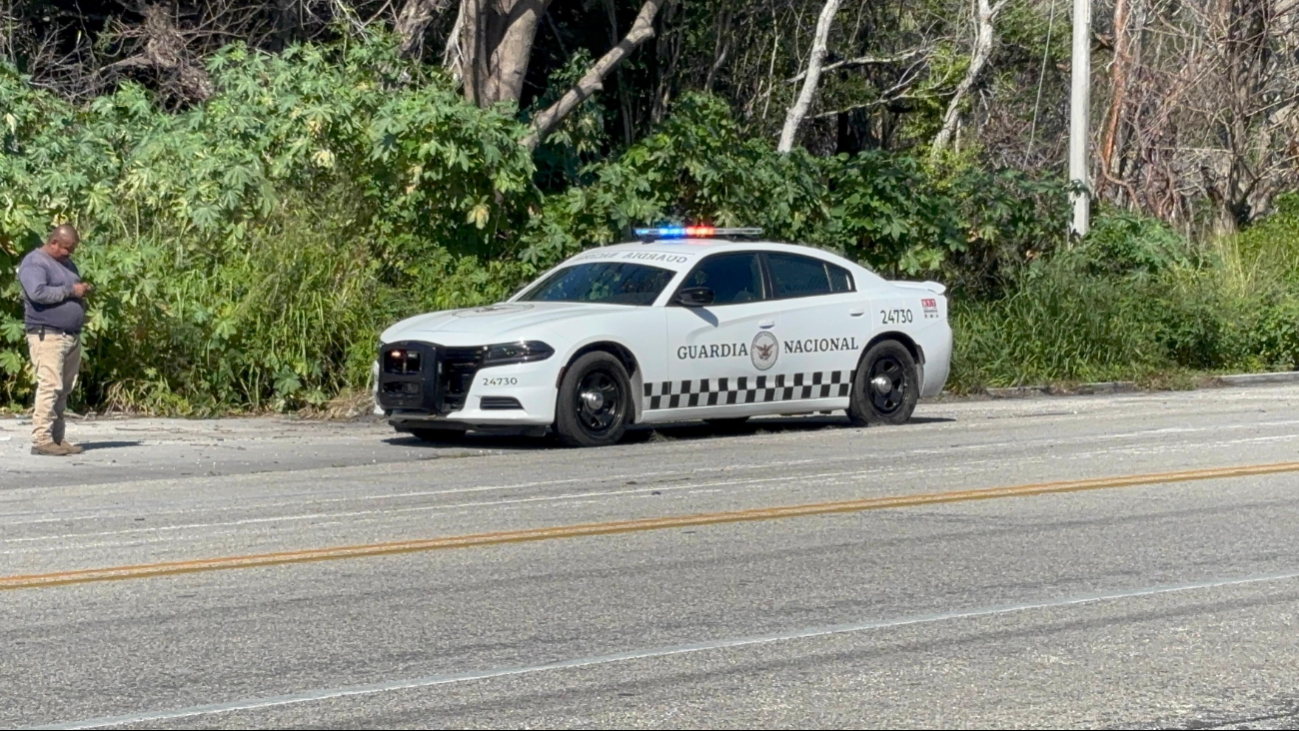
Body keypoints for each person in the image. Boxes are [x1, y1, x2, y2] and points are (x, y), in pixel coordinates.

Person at [18, 224, 92, 456]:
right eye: (67, 249)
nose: (70, 254)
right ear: (54, 243)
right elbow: (37, 292)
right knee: (50, 385)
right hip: (47, 334)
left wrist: (82, 292)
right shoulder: (35, 263)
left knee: (64, 389)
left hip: (70, 336)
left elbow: (68, 287)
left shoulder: (66, 264)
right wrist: (72, 291)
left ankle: (57, 438)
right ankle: (41, 438)